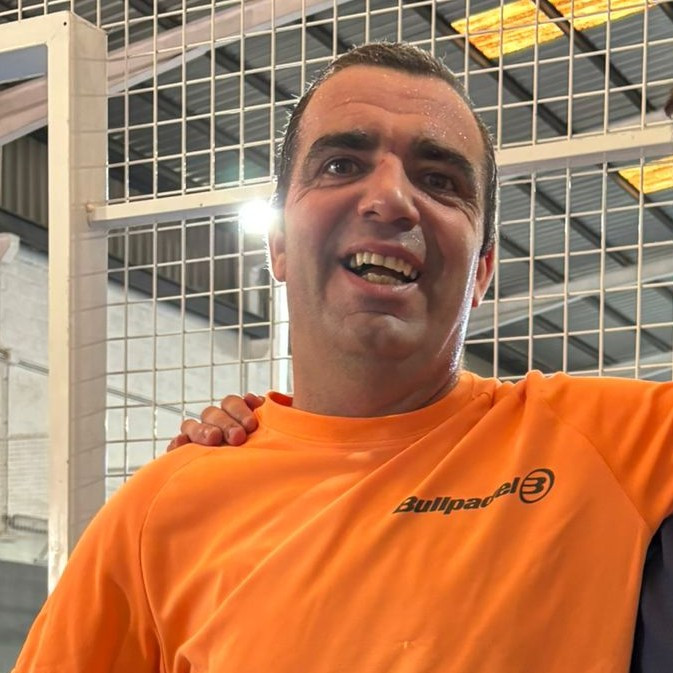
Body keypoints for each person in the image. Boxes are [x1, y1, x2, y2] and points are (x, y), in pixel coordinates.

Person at [13, 42, 673, 673]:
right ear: (277, 243)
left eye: (439, 180)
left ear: (481, 270)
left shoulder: (617, 445)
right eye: (340, 165)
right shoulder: (163, 510)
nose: (390, 200)